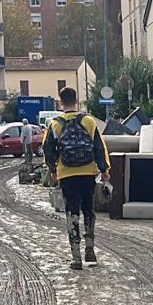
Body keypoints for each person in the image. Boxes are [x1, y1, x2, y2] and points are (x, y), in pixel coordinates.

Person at [41, 87, 111, 269]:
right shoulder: (88, 121)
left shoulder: (54, 124)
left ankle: (76, 257)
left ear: (61, 101)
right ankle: (90, 249)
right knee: (88, 209)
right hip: (88, 172)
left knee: (71, 212)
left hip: (67, 173)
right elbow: (98, 147)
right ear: (77, 100)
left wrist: (53, 172)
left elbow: (48, 149)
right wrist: (104, 170)